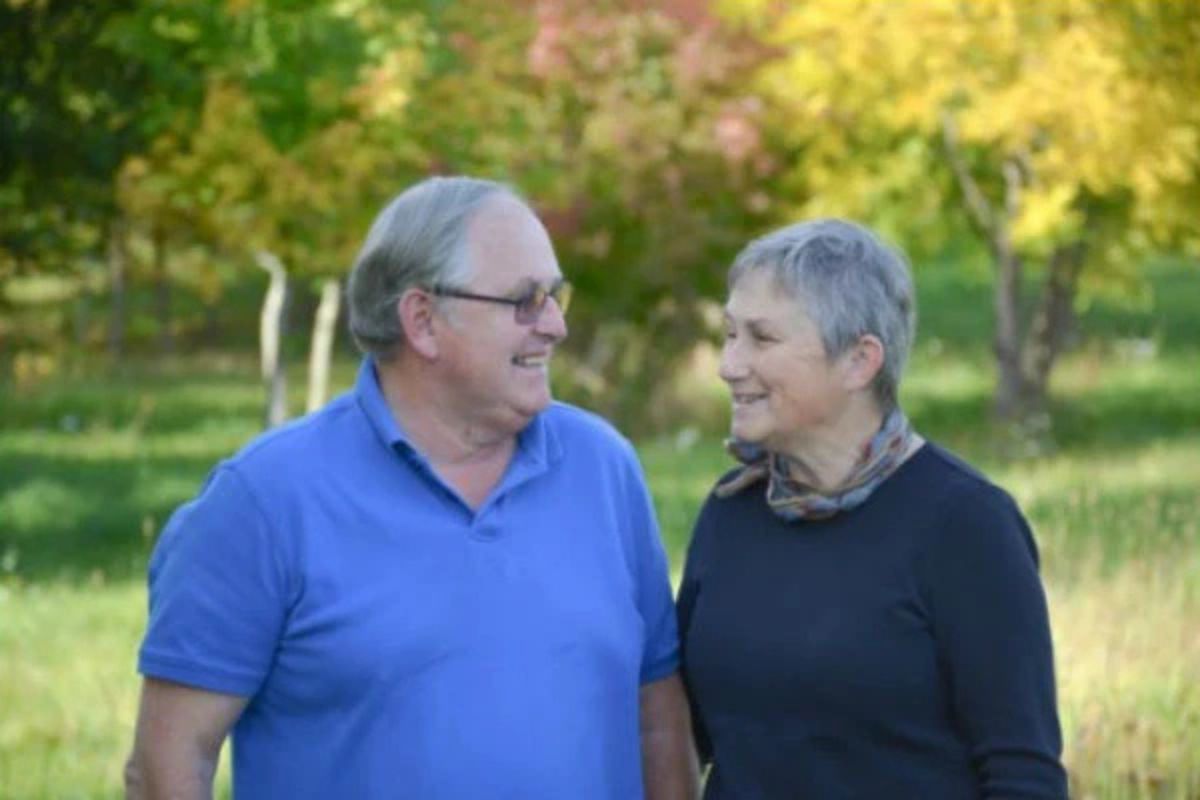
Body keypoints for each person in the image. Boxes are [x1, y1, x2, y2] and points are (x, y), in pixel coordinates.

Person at [125, 176, 699, 799]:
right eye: (525, 300)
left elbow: (658, 717)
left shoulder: (604, 468)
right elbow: (168, 763)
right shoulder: (263, 501)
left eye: (555, 295)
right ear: (422, 320)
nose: (556, 325)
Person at [676, 219, 1068, 798]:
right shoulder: (731, 512)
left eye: (761, 338)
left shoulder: (964, 524)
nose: (728, 365)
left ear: (860, 361)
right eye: (730, 335)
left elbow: (1021, 773)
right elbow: (688, 734)